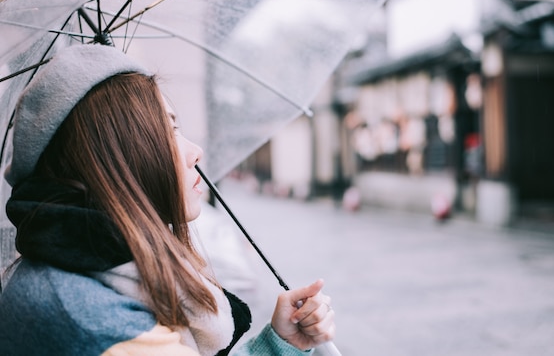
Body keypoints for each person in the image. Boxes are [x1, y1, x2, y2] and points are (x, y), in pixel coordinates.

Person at [0, 44, 335, 355]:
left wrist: (279, 342)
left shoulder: (82, 273)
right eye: (169, 130)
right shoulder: (99, 325)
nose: (195, 151)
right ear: (119, 153)